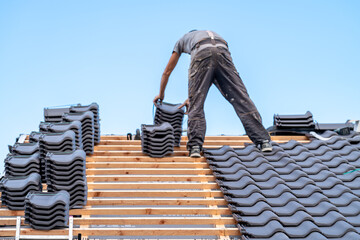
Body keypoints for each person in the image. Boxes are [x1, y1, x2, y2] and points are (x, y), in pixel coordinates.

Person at [153, 30, 272, 157]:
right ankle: (263, 141)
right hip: (222, 50)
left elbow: (167, 72)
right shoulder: (210, 34)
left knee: (196, 105)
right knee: (240, 97)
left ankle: (195, 147)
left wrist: (161, 94)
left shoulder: (182, 40)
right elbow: (211, 75)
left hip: (201, 52)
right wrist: (192, 96)